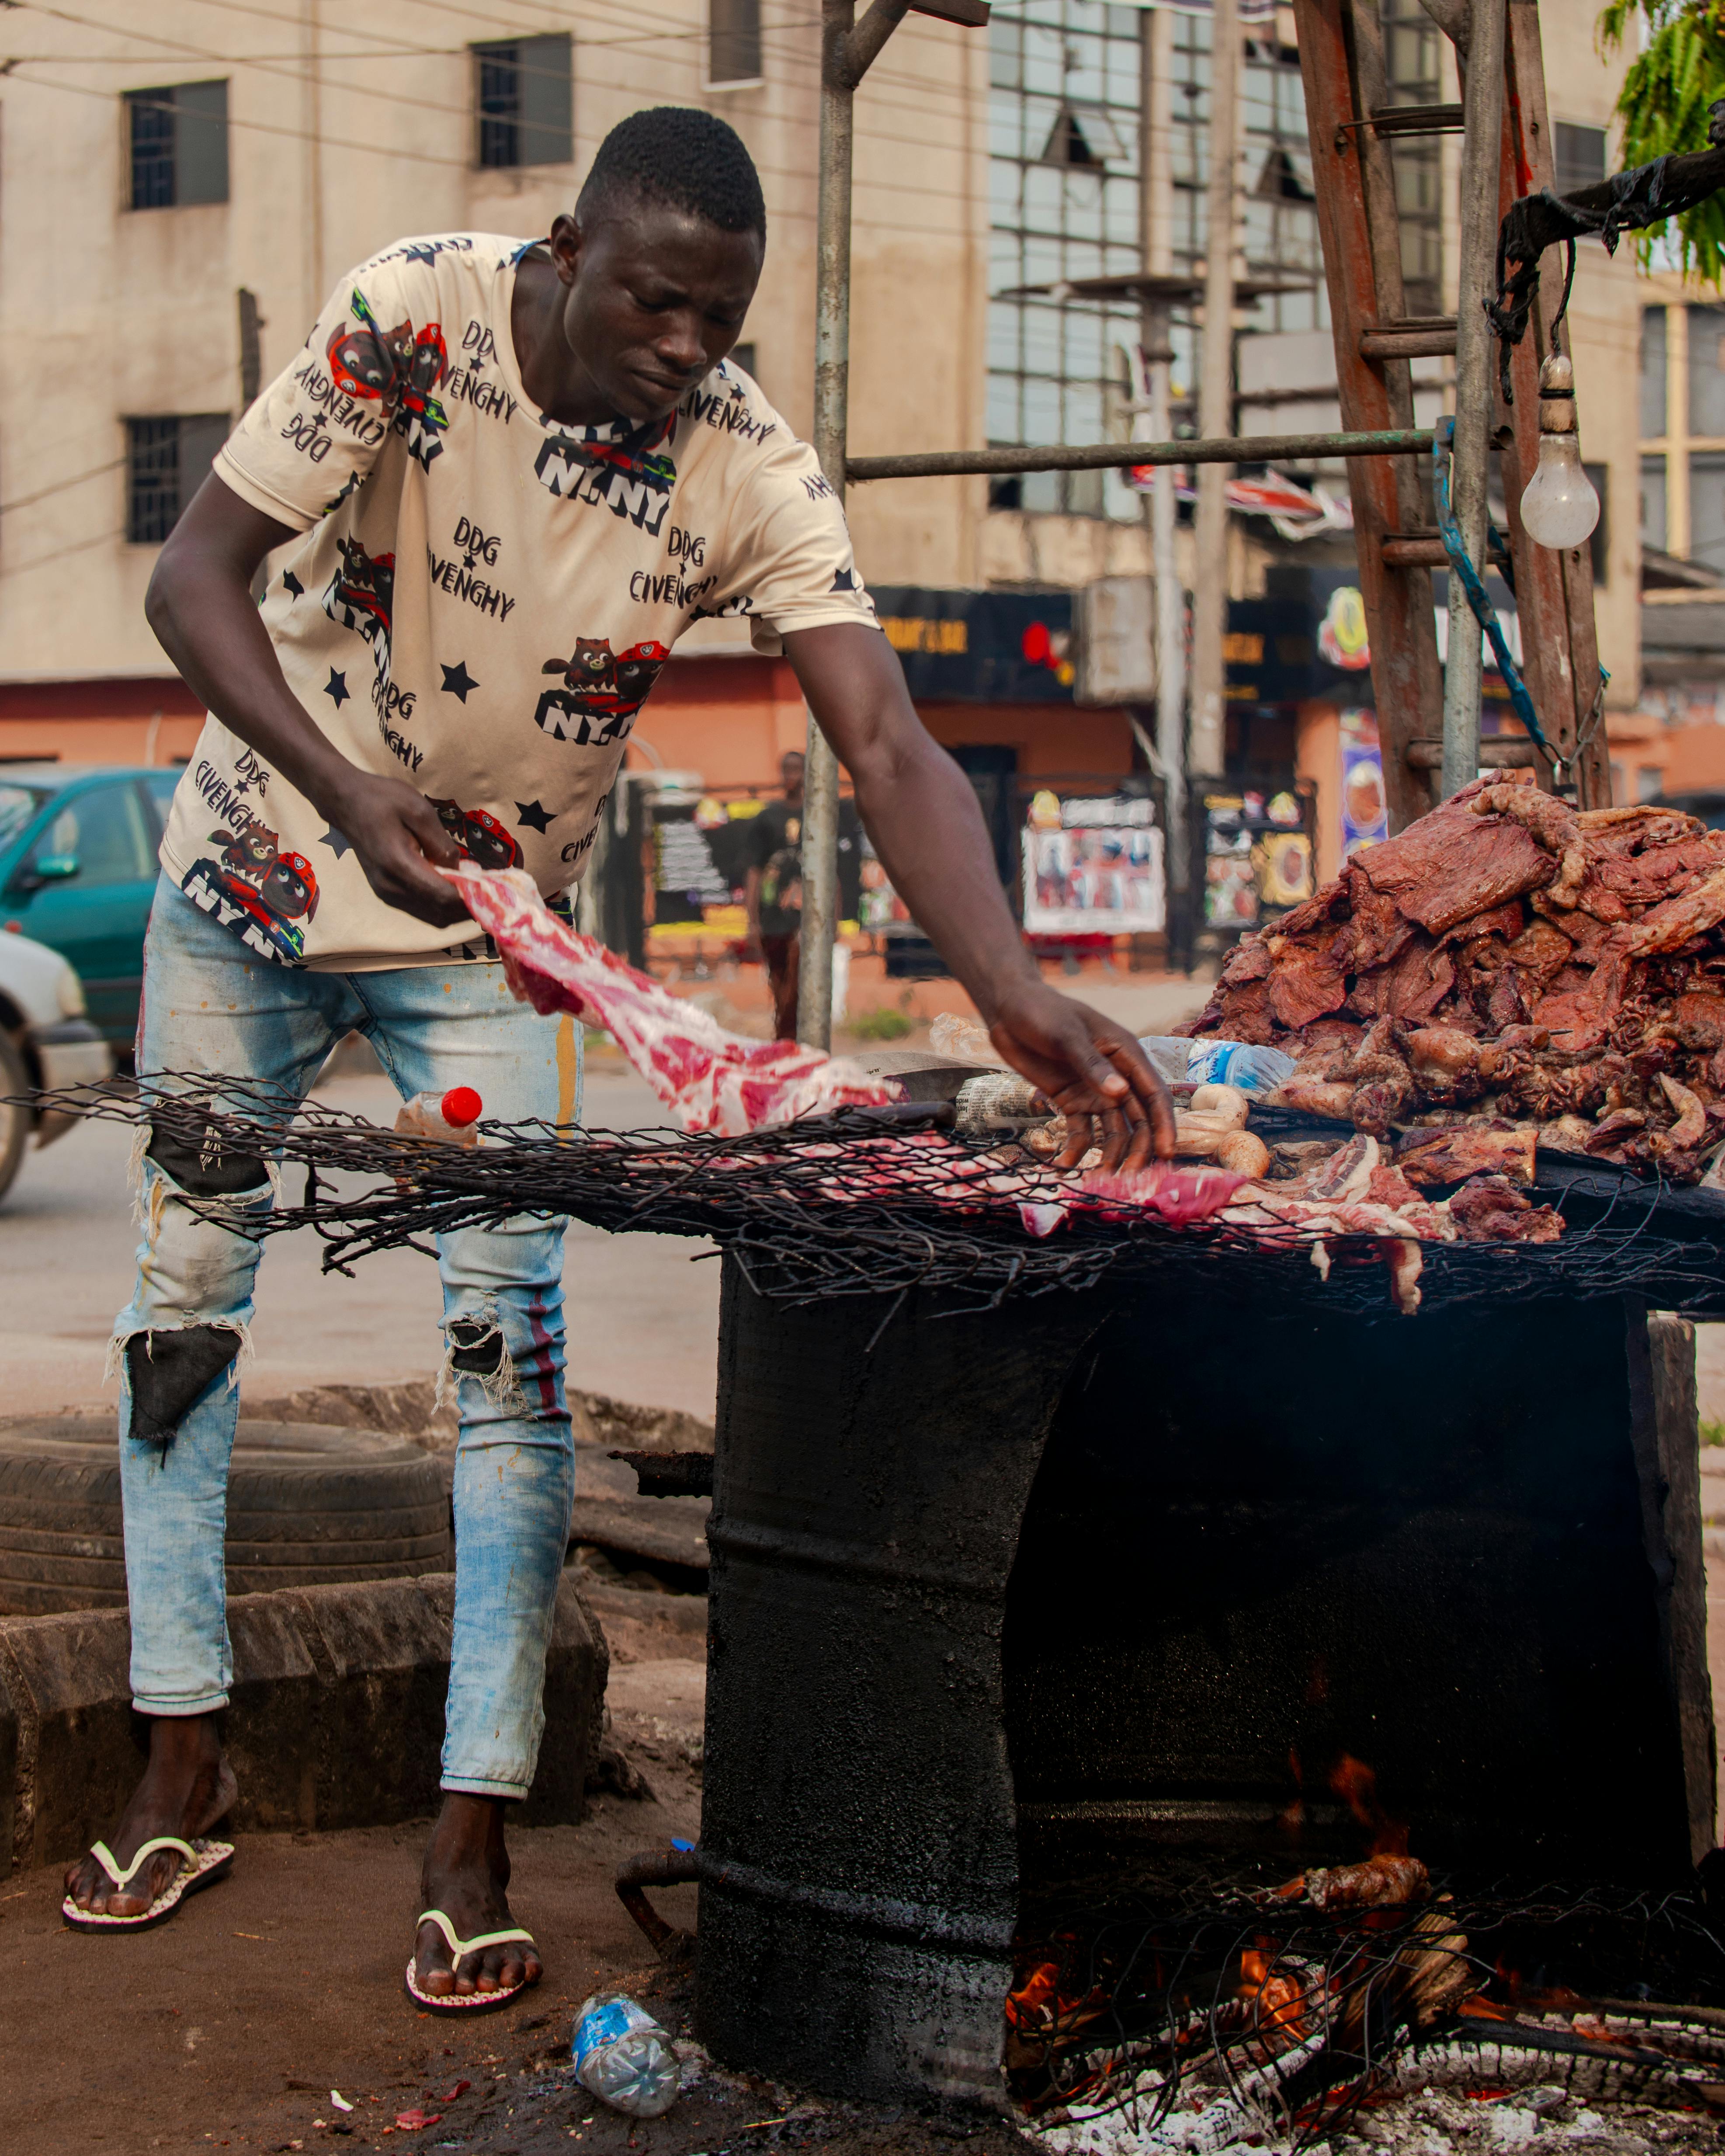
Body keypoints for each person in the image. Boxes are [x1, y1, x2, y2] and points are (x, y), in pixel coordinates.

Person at [62, 106, 1174, 2003]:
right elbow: (191, 580)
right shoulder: (410, 316)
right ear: (572, 248)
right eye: (655, 301)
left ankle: (471, 1820)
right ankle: (180, 1750)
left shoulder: (745, 467)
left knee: (512, 1365)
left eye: (717, 318)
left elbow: (888, 736)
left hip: (491, 946)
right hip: (245, 892)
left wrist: (1006, 983)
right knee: (182, 1312)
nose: (681, 347)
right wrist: (351, 795)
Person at [745, 749, 805, 1039]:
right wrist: (752, 920)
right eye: (787, 770)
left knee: (798, 968)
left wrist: (834, 915)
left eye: (798, 769)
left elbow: (832, 868)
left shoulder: (819, 816)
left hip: (807, 914)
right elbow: (754, 871)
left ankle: (788, 1033)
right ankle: (785, 1035)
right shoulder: (767, 818)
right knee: (778, 978)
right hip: (773, 914)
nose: (792, 776)